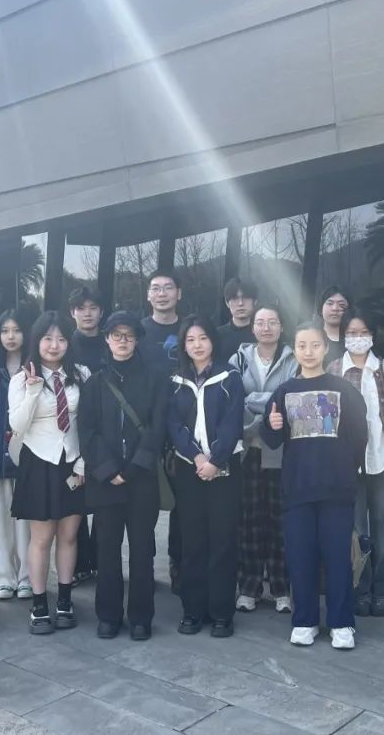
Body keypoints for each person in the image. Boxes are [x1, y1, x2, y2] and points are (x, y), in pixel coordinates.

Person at [261, 321, 368, 650]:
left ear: (326, 348)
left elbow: (359, 436)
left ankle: (341, 622)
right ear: (295, 350)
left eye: (315, 345)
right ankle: (304, 620)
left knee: (337, 557)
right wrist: (272, 424)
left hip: (336, 488)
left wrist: (347, 470)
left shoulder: (343, 390)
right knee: (300, 556)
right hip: (298, 489)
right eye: (302, 346)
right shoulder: (285, 391)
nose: (308, 352)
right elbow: (271, 440)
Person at [78, 311, 167, 641]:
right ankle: (109, 615)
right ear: (107, 339)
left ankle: (141, 617)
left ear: (137, 340)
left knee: (142, 550)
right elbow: (87, 431)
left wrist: (132, 468)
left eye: (129, 335)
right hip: (106, 481)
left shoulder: (155, 379)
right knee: (107, 550)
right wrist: (108, 470)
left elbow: (157, 428)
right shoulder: (95, 383)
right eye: (117, 335)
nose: (123, 341)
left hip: (141, 478)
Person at [327, 308, 384, 618]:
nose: (357, 338)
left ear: (373, 335)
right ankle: (360, 587)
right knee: (355, 528)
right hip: (346, 462)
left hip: (383, 456)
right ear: (343, 336)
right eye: (351, 333)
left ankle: (383, 588)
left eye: (363, 332)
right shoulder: (334, 369)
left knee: (383, 525)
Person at [9, 311, 90, 634]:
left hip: (73, 461)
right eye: (47, 338)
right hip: (39, 462)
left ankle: (65, 600)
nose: (54, 345)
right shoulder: (21, 378)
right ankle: (40, 604)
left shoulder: (81, 374)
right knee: (41, 538)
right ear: (36, 341)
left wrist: (83, 461)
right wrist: (32, 390)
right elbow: (17, 426)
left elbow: (90, 421)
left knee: (69, 536)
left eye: (61, 339)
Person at [168, 315, 245, 637]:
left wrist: (214, 459)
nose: (197, 345)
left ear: (213, 340)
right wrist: (197, 457)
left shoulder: (230, 377)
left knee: (223, 540)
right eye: (190, 340)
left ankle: (222, 613)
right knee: (193, 541)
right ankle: (193, 611)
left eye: (202, 338)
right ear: (183, 345)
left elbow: (233, 422)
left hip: (224, 469)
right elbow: (173, 424)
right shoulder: (175, 380)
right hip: (189, 469)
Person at [229, 304, 297, 614]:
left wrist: (256, 405)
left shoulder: (294, 360)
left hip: (281, 451)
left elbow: (290, 399)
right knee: (249, 520)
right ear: (252, 327)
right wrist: (267, 411)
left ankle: (282, 588)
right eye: (260, 322)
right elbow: (233, 400)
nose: (266, 327)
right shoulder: (239, 359)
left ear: (281, 326)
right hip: (247, 451)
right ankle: (249, 587)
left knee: (280, 521)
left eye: (272, 322)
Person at [137, 269, 184, 593]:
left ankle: (181, 569)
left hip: (184, 425)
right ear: (148, 295)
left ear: (179, 293)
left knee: (184, 505)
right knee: (145, 505)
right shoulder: (138, 331)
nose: (162, 293)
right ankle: (144, 571)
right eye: (156, 288)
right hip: (147, 426)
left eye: (168, 288)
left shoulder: (189, 329)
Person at [0, 309, 32, 602]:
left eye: (16, 330)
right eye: (5, 331)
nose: (10, 336)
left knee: (27, 520)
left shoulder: (35, 368)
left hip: (29, 454)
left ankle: (27, 576)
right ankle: (3, 578)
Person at [68, 285, 105, 583]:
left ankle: (101, 558)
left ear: (101, 312)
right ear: (73, 312)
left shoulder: (110, 342)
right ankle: (80, 561)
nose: (87, 313)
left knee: (105, 500)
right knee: (76, 499)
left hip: (106, 430)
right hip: (73, 430)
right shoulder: (66, 345)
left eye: (93, 307)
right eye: (81, 308)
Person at [216, 278, 259, 357]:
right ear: (227, 303)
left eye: (245, 297)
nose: (240, 303)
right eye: (235, 298)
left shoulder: (263, 333)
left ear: (255, 301)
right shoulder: (217, 336)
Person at [317, 287, 351, 367]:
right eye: (330, 303)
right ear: (321, 308)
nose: (335, 308)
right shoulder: (310, 336)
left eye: (341, 305)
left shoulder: (353, 342)